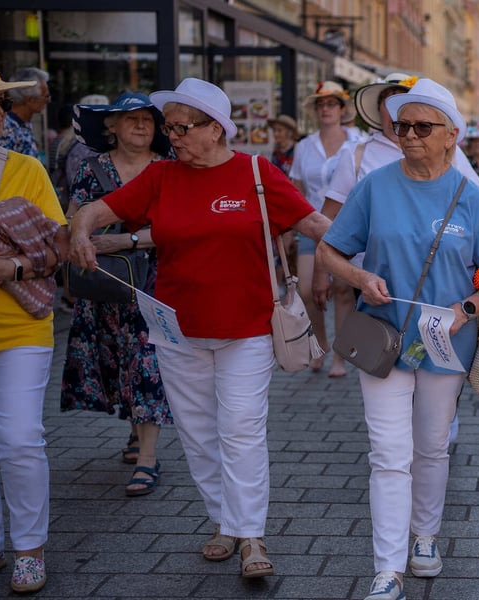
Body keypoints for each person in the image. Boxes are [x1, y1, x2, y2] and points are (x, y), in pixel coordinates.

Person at [68, 77, 332, 579]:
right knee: (197, 432)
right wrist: (81, 232)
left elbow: (315, 225)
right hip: (177, 330)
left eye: (181, 128)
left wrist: (365, 259)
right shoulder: (162, 177)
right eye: (169, 128)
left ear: (215, 128)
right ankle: (224, 522)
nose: (173, 137)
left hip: (247, 329)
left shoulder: (256, 172)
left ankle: (250, 534)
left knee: (241, 428)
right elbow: (95, 211)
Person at [316, 78, 479, 600]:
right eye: (402, 127)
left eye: (424, 127)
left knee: (432, 447)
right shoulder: (375, 186)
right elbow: (329, 250)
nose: (410, 135)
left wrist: (466, 309)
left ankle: (425, 536)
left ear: (451, 135)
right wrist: (359, 278)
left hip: (445, 342)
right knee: (387, 453)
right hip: (383, 337)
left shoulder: (471, 198)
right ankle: (387, 567)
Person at [316, 73, 479, 378]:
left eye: (422, 126)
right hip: (379, 287)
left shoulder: (453, 161)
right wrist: (343, 275)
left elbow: (478, 209)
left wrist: (475, 292)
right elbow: (329, 226)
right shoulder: (362, 159)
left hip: (439, 300)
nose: (410, 134)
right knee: (385, 389)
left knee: (435, 403)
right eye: (391, 105)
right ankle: (341, 358)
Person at [60, 93, 174, 497]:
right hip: (104, 281)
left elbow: (176, 227)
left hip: (154, 281)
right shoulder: (91, 168)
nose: (141, 125)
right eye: (131, 119)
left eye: (148, 119)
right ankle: (135, 431)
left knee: (146, 361)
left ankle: (148, 458)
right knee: (116, 360)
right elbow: (73, 218)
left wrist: (125, 240)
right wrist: (78, 242)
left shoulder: (168, 169)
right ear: (112, 127)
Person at [0, 69, 67, 595]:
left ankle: (28, 548)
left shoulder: (26, 169)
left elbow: (59, 249)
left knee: (19, 437)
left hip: (22, 323)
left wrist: (13, 268)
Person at [289, 81, 362, 374]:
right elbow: (295, 189)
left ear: (342, 109)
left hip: (347, 226)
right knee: (306, 289)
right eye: (321, 104)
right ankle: (320, 342)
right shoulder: (304, 146)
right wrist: (288, 230)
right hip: (312, 224)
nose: (326, 109)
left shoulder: (358, 142)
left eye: (331, 103)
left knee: (343, 289)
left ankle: (340, 356)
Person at [0, 67, 49, 159]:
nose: (48, 101)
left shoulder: (20, 124)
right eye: (46, 96)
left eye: (1, 101)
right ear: (30, 100)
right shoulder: (6, 128)